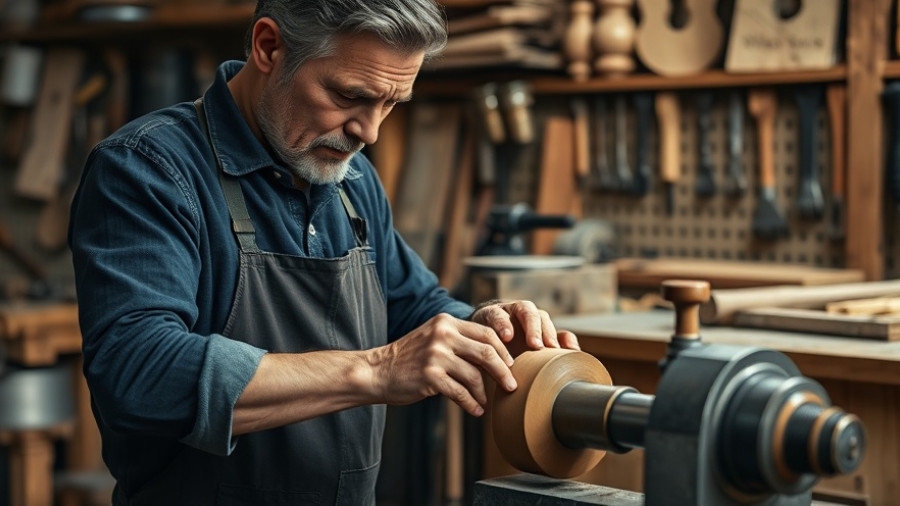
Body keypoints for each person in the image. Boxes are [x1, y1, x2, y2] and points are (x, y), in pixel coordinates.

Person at [69, 0, 580, 504]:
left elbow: (411, 307)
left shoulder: (350, 180)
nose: (369, 132)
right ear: (269, 46)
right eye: (349, 94)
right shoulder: (148, 170)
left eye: (390, 104)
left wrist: (484, 330)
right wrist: (377, 370)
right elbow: (137, 375)